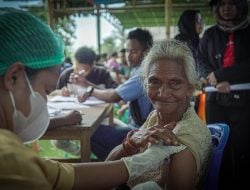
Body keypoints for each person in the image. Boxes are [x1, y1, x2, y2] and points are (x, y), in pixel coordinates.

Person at [0, 7, 182, 189]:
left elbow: (63, 175)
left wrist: (135, 156)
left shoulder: (15, 159)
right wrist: (139, 159)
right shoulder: (9, 159)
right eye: (47, 91)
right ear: (13, 77)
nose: (46, 100)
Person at [106, 40, 212, 190]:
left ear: (190, 88)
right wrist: (130, 144)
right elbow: (107, 165)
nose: (163, 93)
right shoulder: (156, 116)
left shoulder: (182, 143)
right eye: (154, 81)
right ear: (145, 84)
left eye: (174, 83)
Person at [74, 28, 154, 160]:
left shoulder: (142, 74)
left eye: (133, 51)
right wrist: (87, 85)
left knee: (89, 131)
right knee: (96, 130)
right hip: (135, 127)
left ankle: (121, 164)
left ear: (147, 52)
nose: (128, 56)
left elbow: (113, 96)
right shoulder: (138, 69)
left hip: (139, 132)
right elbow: (115, 92)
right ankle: (119, 163)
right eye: (127, 50)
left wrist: (89, 88)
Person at [197, 0, 250, 189]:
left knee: (243, 147)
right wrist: (212, 78)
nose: (226, 8)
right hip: (215, 100)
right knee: (218, 145)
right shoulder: (210, 34)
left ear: (241, 7)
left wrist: (222, 76)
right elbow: (200, 60)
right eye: (222, 4)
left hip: (244, 102)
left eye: (232, 3)